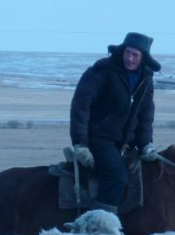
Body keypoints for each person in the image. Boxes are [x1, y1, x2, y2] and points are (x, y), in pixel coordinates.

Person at [69, 32, 161, 214]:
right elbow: (80, 107)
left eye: (135, 55)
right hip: (99, 138)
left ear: (143, 58)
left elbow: (145, 115)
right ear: (122, 51)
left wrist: (146, 144)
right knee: (116, 179)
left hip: (125, 143)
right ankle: (97, 227)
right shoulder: (102, 72)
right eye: (128, 52)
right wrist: (80, 144)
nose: (130, 58)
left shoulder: (145, 80)